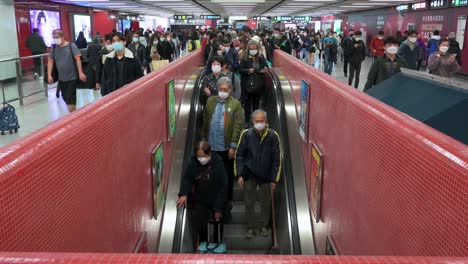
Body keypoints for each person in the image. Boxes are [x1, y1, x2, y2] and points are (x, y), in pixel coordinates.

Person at [235, 109, 282, 239]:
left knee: (265, 203)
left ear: (266, 121)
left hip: (266, 176)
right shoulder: (246, 135)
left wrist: (274, 179)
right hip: (249, 174)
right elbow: (239, 156)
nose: (260, 123)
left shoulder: (273, 136)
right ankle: (251, 227)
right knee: (249, 202)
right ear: (252, 121)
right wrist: (240, 175)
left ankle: (264, 226)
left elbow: (277, 160)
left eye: (262, 121)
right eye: (257, 121)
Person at [177, 141, 228, 253]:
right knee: (201, 226)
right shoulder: (193, 162)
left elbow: (224, 186)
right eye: (198, 156)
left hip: (216, 199)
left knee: (217, 227)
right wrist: (184, 193)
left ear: (209, 154)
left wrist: (218, 208)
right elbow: (188, 178)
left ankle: (217, 248)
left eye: (203, 156)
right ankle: (203, 248)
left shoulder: (218, 163)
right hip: (200, 200)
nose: (200, 159)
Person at [203, 77, 245, 206]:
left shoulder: (235, 104)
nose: (222, 92)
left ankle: (227, 201)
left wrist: (233, 146)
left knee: (226, 176)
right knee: (212, 175)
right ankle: (213, 201)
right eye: (220, 89)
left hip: (226, 148)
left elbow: (238, 126)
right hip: (211, 147)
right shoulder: (210, 101)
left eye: (225, 90)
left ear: (230, 90)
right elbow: (205, 120)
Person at [47, 30, 86, 112]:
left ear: (62, 37)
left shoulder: (71, 46)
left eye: (57, 37)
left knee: (70, 98)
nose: (55, 39)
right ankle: (73, 113)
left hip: (72, 78)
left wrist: (80, 73)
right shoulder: (54, 48)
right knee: (65, 98)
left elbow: (78, 60)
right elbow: (50, 61)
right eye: (54, 38)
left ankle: (73, 116)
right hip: (61, 79)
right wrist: (49, 75)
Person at [239, 40, 268, 124]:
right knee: (247, 104)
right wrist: (248, 70)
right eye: (251, 49)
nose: (253, 50)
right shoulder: (244, 57)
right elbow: (240, 69)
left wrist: (265, 69)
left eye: (255, 48)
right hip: (246, 84)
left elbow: (265, 66)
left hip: (258, 84)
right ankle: (247, 121)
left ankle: (255, 120)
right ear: (248, 48)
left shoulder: (261, 57)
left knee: (256, 104)